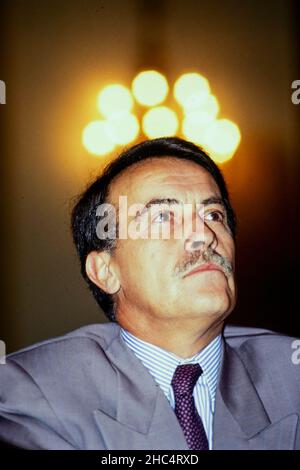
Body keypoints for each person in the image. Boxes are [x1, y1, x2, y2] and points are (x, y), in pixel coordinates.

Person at [0, 137, 299, 450]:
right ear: (105, 272)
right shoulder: (32, 390)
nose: (204, 236)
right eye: (162, 218)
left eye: (213, 215)